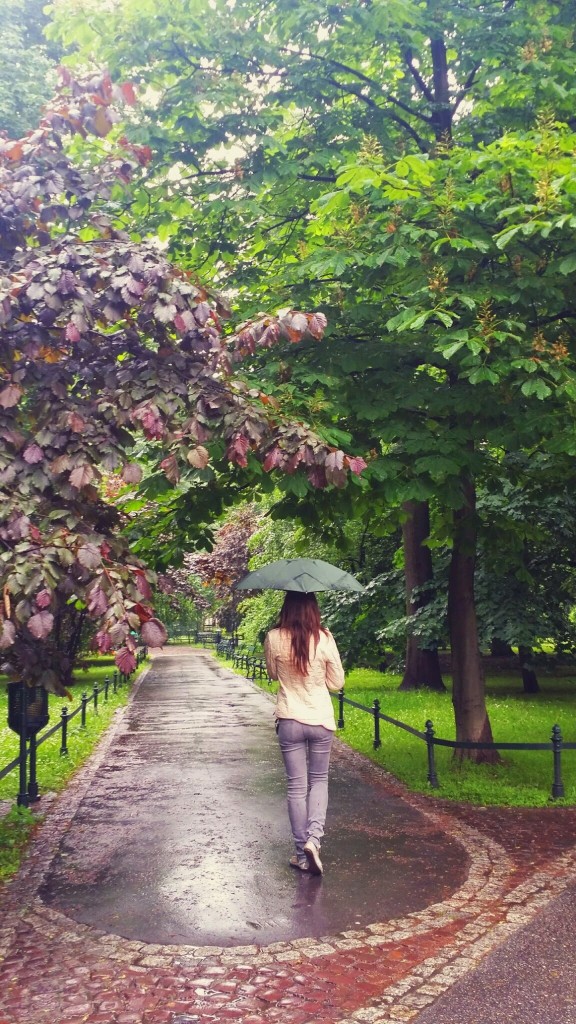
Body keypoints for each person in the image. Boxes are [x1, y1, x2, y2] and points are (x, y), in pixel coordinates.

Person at [264, 591, 345, 876]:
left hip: (289, 719)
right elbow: (337, 682)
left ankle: (301, 854)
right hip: (320, 719)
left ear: (287, 608)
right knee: (319, 780)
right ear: (313, 609)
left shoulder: (274, 637)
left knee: (296, 787)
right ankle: (314, 840)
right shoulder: (324, 637)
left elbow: (273, 674)